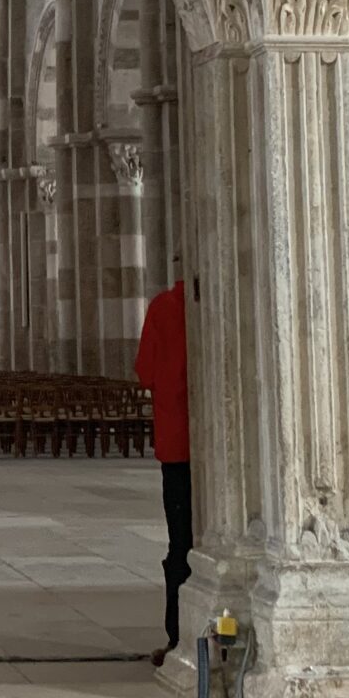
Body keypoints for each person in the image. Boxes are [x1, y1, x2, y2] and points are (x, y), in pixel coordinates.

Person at [134, 275, 191, 659]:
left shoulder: (164, 308)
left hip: (176, 445)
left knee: (181, 544)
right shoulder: (214, 303)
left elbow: (145, 372)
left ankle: (178, 636)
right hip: (219, 448)